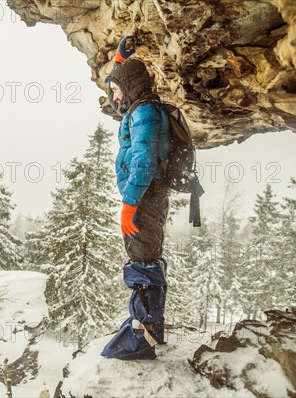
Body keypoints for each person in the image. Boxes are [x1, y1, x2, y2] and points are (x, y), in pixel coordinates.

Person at [101, 38, 171, 359]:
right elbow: (119, 94)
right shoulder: (139, 108)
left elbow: (144, 159)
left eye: (117, 89)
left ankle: (143, 339)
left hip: (145, 196)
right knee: (144, 257)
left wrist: (129, 206)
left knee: (143, 261)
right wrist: (119, 62)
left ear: (128, 87)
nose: (114, 97)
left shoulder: (145, 112)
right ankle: (150, 329)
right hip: (145, 195)